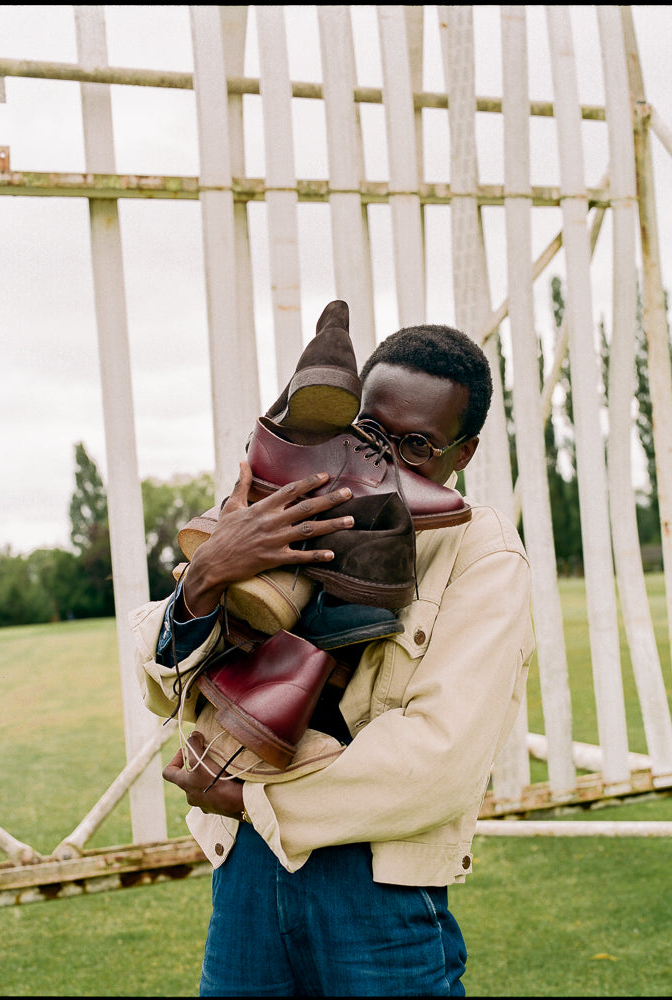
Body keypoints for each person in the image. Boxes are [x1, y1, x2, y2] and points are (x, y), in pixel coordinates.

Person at [132, 322, 535, 997]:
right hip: (248, 872)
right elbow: (158, 673)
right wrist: (204, 576)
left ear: (461, 454)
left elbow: (440, 759)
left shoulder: (481, 552)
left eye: (416, 447)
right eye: (371, 431)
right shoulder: (284, 505)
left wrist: (250, 799)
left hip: (377, 883)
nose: (386, 461)